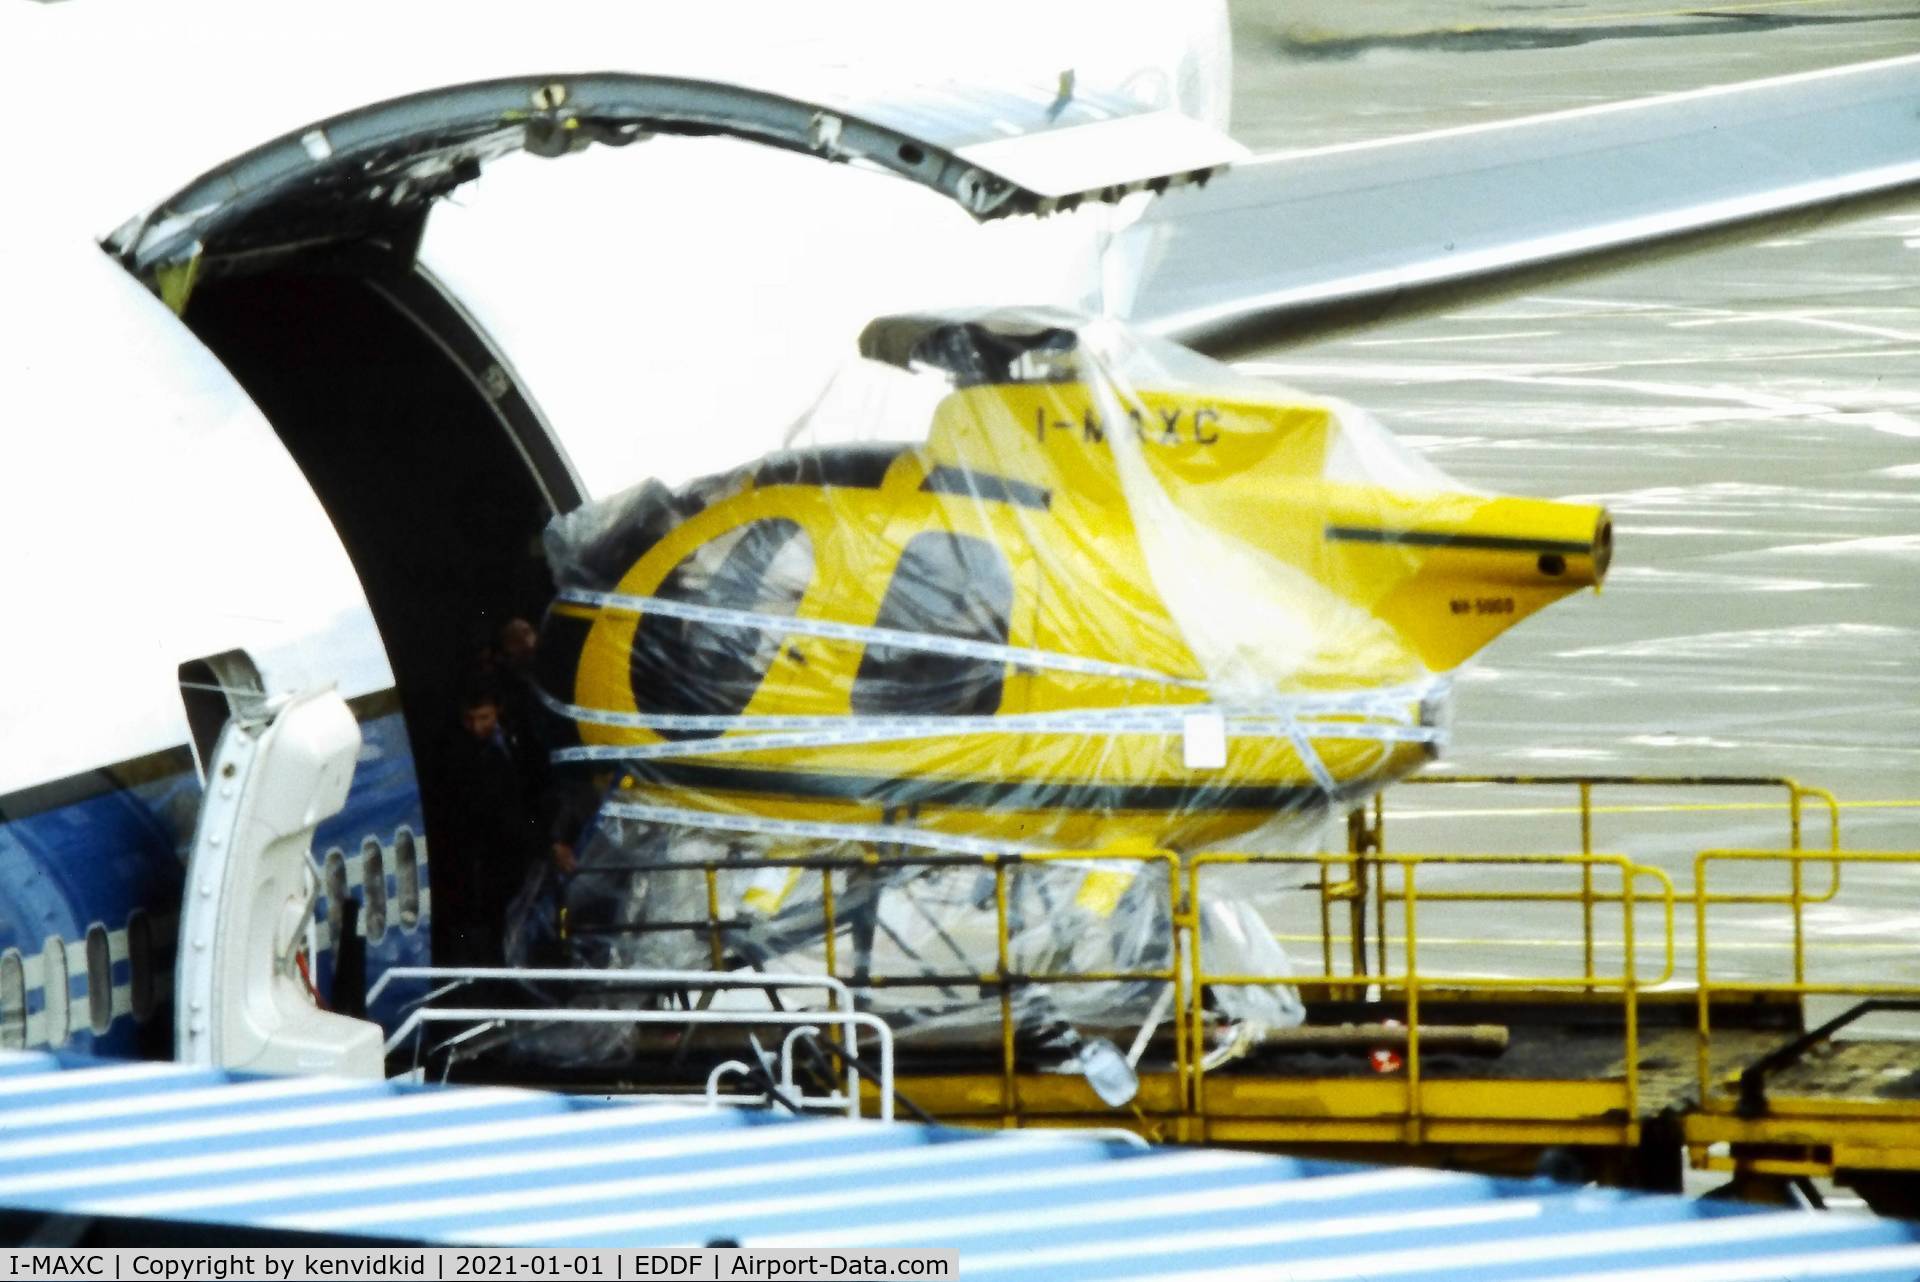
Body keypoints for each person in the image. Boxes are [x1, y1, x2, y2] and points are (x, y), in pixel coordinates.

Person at [437, 684, 551, 967]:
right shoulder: (462, 754)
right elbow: (496, 809)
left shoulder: (518, 737)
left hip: (518, 843)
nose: (477, 727)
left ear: (497, 712)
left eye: (484, 718)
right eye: (471, 720)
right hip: (490, 848)